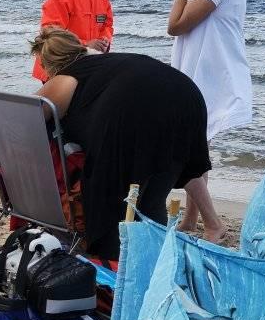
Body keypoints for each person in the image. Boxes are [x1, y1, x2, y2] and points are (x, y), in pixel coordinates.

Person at [32, 27, 212, 260]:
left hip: (141, 113)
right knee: (156, 189)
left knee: (111, 194)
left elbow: (24, 116)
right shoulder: (108, 62)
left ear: (49, 63)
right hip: (187, 96)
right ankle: (171, 244)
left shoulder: (65, 77)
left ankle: (116, 256)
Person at [168, 0, 249, 243]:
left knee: (185, 152)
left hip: (207, 83)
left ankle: (213, 224)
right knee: (198, 152)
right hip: (206, 80)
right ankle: (191, 219)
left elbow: (174, 26)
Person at [32, 0, 114, 83]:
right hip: (57, 66)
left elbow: (107, 26)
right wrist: (86, 45)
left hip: (87, 64)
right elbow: (51, 36)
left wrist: (104, 42)